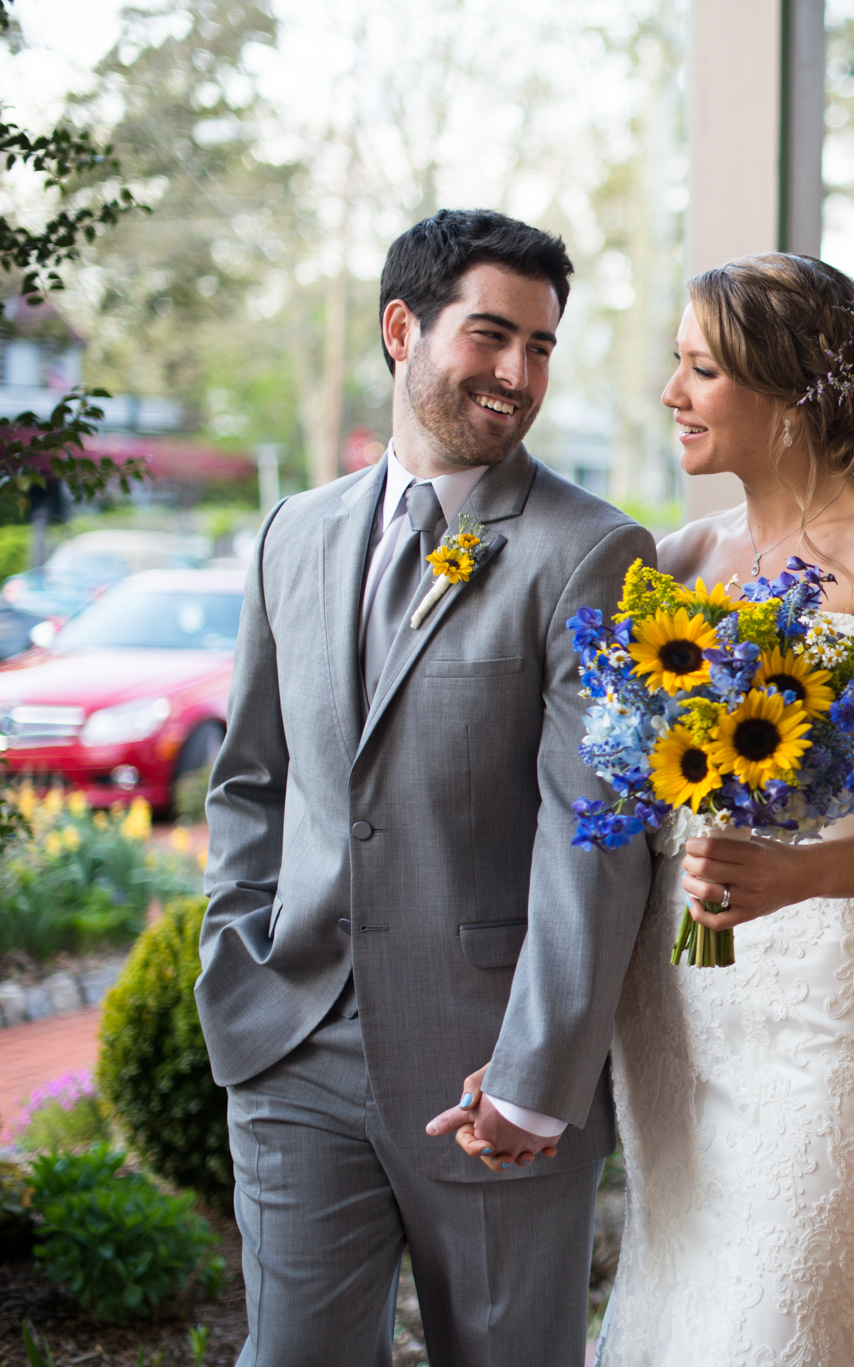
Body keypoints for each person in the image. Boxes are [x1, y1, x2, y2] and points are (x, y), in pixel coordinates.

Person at [197, 209, 656, 1365]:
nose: (516, 373)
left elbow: (591, 833)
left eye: (541, 345)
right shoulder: (289, 537)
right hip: (291, 1042)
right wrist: (236, 961)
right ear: (404, 329)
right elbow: (251, 779)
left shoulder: (593, 552)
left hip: (485, 1068)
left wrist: (536, 1076)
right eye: (491, 334)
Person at [594, 253, 854, 1365]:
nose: (671, 393)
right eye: (676, 365)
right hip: (673, 1011)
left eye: (700, 369)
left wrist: (801, 872)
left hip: (822, 1020)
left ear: (785, 392)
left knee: (776, 1331)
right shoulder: (674, 563)